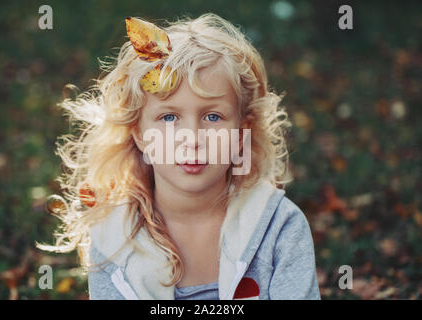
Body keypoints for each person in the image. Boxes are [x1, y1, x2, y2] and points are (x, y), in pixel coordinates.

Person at [37, 13, 320, 300]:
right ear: (139, 134)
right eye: (169, 117)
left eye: (212, 116)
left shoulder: (279, 228)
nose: (192, 138)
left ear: (240, 131)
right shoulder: (114, 241)